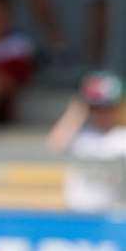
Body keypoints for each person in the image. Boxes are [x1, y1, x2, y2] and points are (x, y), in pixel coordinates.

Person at [47, 71, 126, 212]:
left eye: (107, 108)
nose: (101, 114)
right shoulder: (81, 135)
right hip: (78, 211)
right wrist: (78, 110)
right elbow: (55, 144)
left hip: (113, 213)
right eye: (95, 108)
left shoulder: (121, 136)